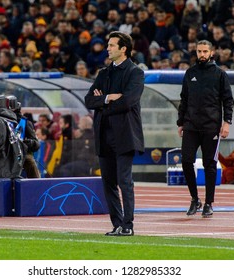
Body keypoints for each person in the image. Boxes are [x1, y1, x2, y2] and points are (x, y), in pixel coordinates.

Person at [85, 31, 145, 236]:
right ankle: (117, 224)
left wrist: (103, 104)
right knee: (108, 182)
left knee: (124, 181)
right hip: (104, 134)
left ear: (123, 49)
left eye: (111, 45)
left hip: (125, 135)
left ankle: (128, 225)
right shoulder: (104, 73)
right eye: (108, 45)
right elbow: (89, 100)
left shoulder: (135, 73)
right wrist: (109, 98)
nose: (108, 48)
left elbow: (128, 101)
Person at [177, 40, 233, 218]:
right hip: (191, 125)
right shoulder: (190, 73)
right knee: (186, 161)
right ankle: (195, 199)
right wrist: (180, 122)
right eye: (199, 51)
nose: (201, 54)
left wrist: (227, 123)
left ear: (211, 53)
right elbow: (184, 99)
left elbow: (228, 100)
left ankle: (209, 203)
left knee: (210, 165)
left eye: (204, 51)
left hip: (211, 126)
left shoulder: (219, 74)